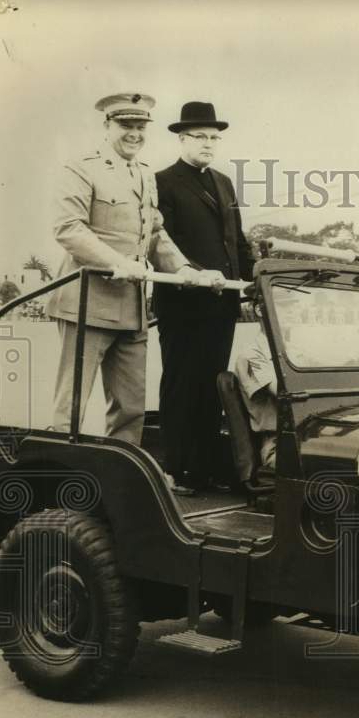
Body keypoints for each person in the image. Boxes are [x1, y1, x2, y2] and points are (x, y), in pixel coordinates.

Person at [47, 92, 193, 443]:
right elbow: (69, 228)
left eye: (141, 126)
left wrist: (184, 269)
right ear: (107, 125)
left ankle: (120, 485)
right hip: (87, 305)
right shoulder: (82, 168)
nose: (135, 133)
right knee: (71, 407)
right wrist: (119, 263)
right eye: (126, 124)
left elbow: (155, 233)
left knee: (130, 408)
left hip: (131, 310)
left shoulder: (145, 174)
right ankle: (55, 485)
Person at [154, 102, 255, 495]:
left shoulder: (224, 182)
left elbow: (238, 240)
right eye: (200, 137)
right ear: (182, 139)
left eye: (214, 137)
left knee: (213, 384)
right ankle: (179, 469)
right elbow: (162, 242)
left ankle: (208, 466)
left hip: (222, 303)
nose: (209, 144)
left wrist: (250, 278)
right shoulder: (162, 181)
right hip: (183, 304)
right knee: (182, 384)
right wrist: (196, 274)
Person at [234, 319, 278, 471]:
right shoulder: (253, 353)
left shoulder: (289, 350)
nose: (291, 312)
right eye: (284, 306)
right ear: (261, 309)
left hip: (304, 438)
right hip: (278, 443)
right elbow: (285, 393)